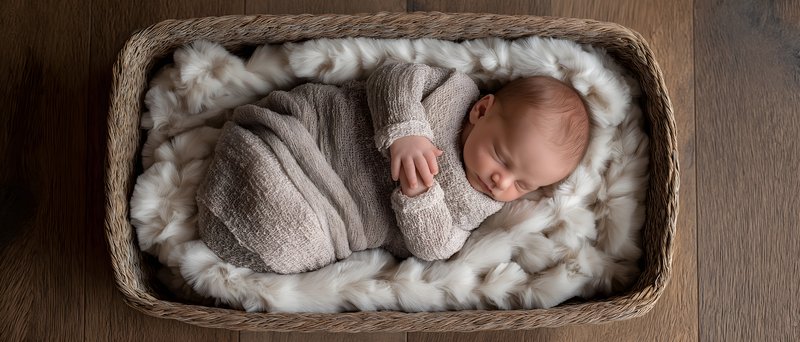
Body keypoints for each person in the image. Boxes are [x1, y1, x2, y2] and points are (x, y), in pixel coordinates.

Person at [195, 62, 590, 274]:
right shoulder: (454, 92)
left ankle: (250, 230)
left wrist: (421, 198)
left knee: (295, 234)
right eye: (502, 157)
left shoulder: (479, 205)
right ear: (482, 110)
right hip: (313, 134)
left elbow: (437, 248)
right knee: (269, 155)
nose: (501, 181)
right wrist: (407, 131)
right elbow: (394, 77)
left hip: (334, 208)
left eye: (522, 185)